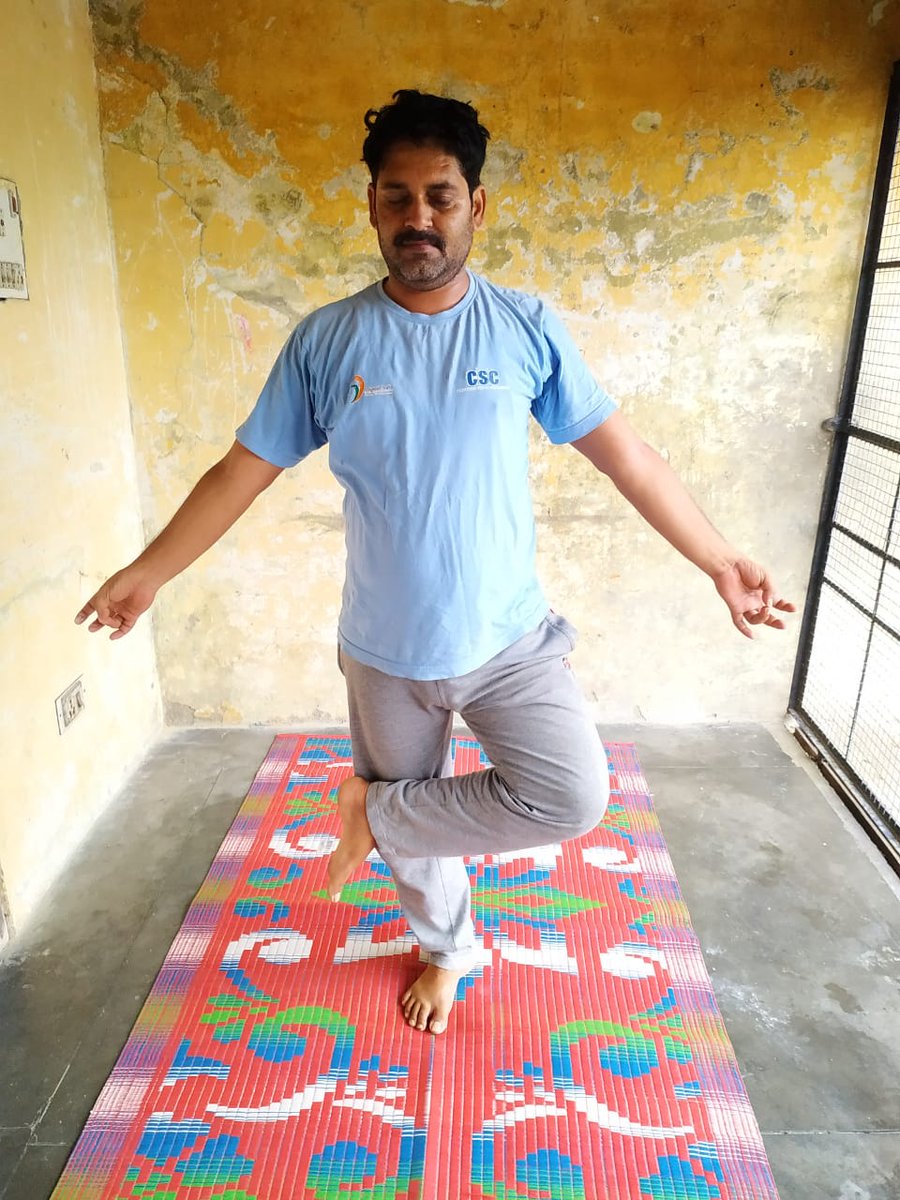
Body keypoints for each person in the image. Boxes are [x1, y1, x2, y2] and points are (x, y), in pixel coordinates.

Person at [76, 89, 795, 1037]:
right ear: (373, 206)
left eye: (441, 197)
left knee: (570, 795)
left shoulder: (526, 326)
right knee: (423, 843)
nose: (419, 218)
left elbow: (629, 456)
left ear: (476, 206)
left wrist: (717, 559)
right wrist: (149, 570)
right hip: (386, 646)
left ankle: (378, 814)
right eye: (397, 196)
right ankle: (445, 947)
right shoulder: (327, 341)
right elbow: (238, 472)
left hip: (510, 637)